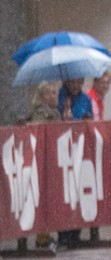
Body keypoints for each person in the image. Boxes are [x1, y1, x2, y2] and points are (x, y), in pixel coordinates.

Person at [56, 78, 92, 248]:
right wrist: (64, 117)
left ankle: (76, 231)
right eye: (73, 82)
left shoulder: (85, 99)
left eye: (79, 82)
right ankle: (63, 232)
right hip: (64, 150)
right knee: (64, 191)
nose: (76, 86)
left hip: (81, 149)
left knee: (79, 189)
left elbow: (91, 119)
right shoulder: (61, 98)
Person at [26, 81, 61, 248]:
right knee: (42, 198)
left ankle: (46, 234)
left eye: (56, 92)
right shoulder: (41, 114)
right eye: (52, 93)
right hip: (42, 162)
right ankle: (41, 237)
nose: (55, 96)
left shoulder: (55, 112)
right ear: (44, 96)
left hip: (52, 160)